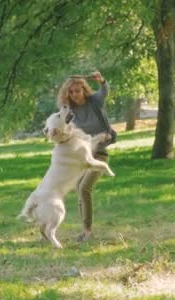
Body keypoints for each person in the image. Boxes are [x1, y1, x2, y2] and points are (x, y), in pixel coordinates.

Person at [56, 71, 115, 242]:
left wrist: (102, 81)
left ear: (84, 90)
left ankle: (88, 231)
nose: (75, 95)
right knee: (79, 188)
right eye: (71, 92)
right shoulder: (70, 112)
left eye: (78, 91)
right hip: (82, 155)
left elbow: (104, 91)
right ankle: (85, 230)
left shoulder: (94, 102)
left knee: (84, 188)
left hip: (99, 154)